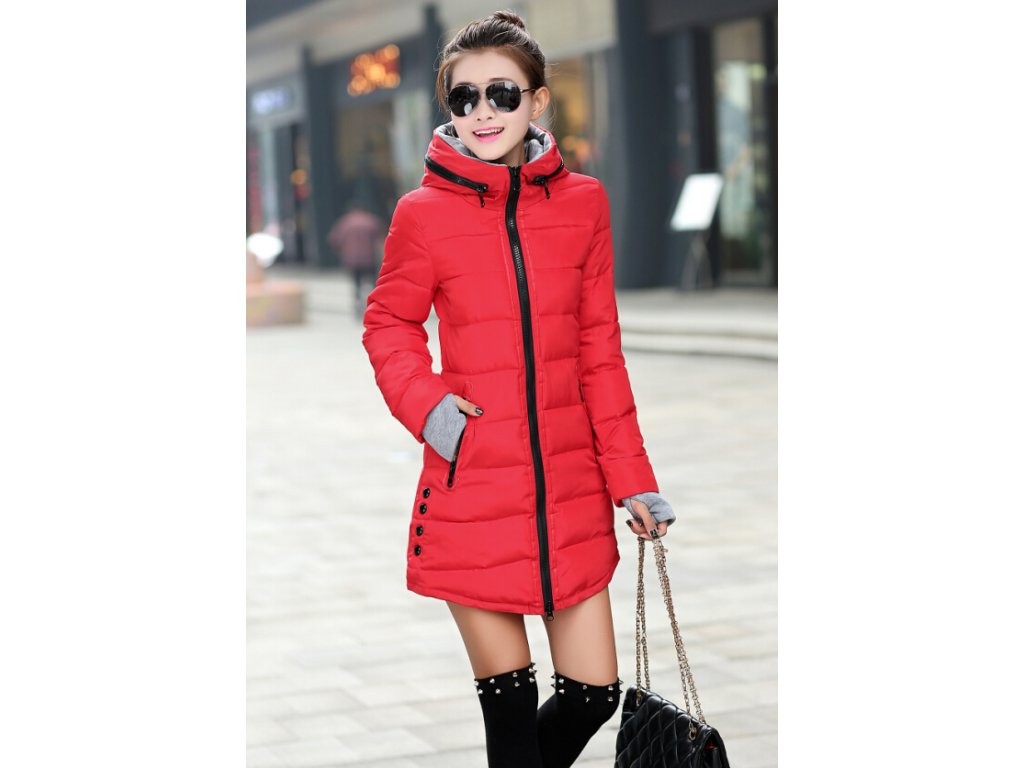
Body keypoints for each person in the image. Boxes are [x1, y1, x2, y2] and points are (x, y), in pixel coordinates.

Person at [362, 11, 675, 767]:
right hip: (473, 490)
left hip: (571, 496)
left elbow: (600, 353)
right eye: (463, 97)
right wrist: (433, 410)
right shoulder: (421, 215)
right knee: (510, 717)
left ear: (537, 101)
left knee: (593, 694)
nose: (482, 112)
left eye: (502, 93)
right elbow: (389, 324)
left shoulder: (584, 203)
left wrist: (632, 480)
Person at [327, 201, 385, 317]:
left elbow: (334, 240)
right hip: (369, 259)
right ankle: (374, 305)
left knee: (356, 283)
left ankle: (358, 303)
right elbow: (383, 239)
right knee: (373, 283)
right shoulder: (372, 221)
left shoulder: (345, 222)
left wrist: (342, 251)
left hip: (352, 260)